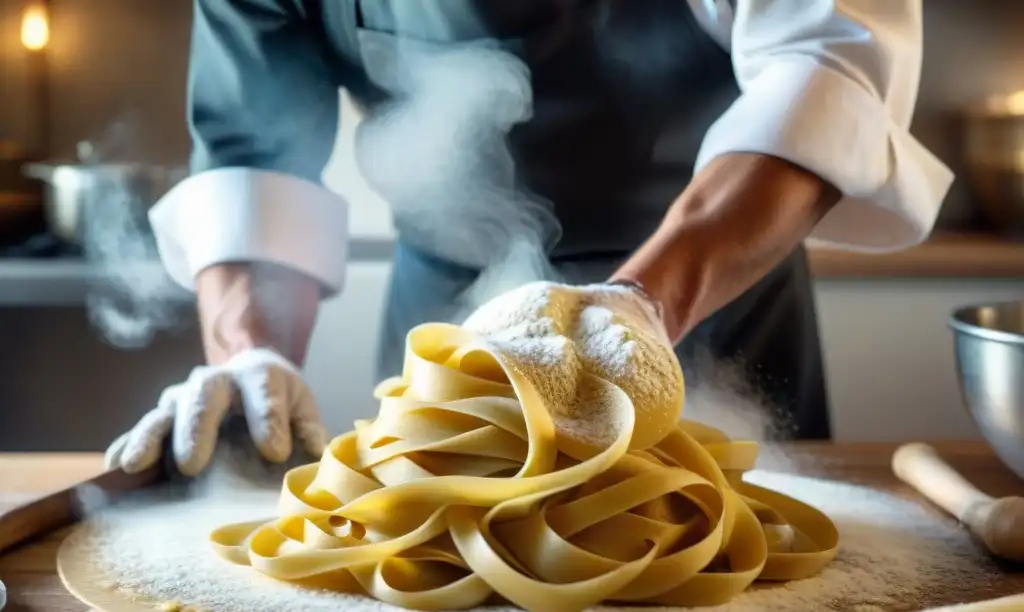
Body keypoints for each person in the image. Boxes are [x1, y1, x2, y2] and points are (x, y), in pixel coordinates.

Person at [105, 0, 952, 477]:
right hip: (445, 339)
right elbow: (257, 165)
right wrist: (252, 353)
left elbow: (827, 70)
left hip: (718, 298)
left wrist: (638, 307)